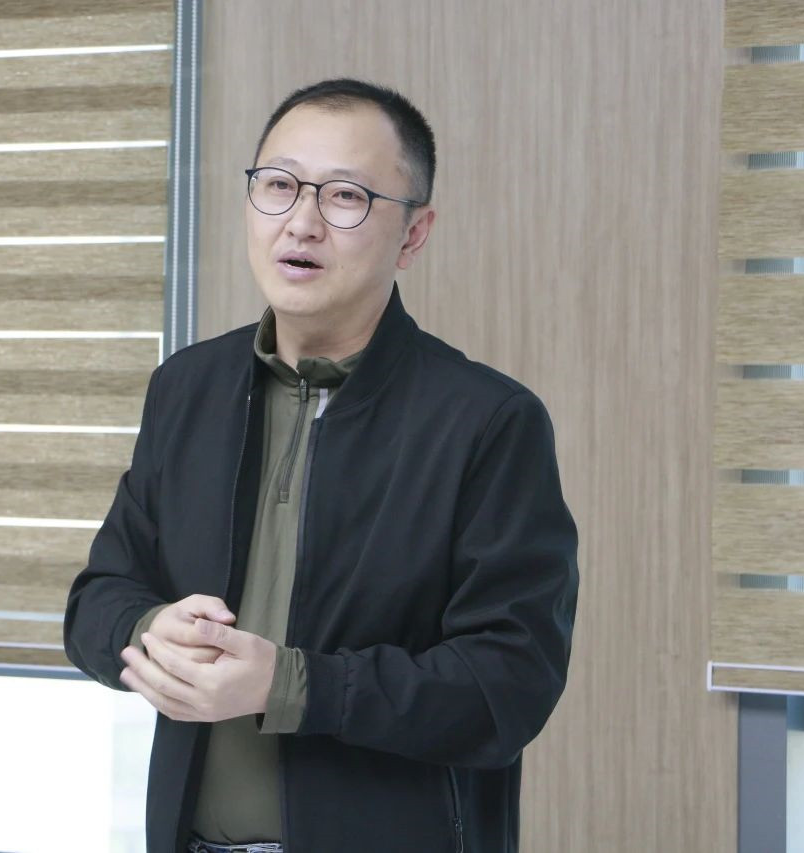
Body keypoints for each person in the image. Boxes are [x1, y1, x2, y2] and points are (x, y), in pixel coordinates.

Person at [64, 78, 579, 853]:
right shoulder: (187, 387)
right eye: (279, 185)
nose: (301, 222)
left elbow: (506, 686)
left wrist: (290, 685)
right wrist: (148, 630)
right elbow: (96, 600)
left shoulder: (488, 421)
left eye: (345, 197)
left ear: (413, 234)